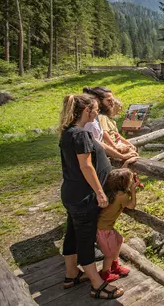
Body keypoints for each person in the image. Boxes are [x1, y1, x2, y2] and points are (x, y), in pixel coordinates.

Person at [58, 94, 134, 299]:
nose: (97, 112)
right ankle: (97, 284)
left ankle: (71, 273)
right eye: (94, 109)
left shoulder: (69, 132)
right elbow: (86, 165)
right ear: (86, 111)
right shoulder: (80, 135)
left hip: (72, 193)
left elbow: (101, 147)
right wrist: (100, 192)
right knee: (84, 238)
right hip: (84, 196)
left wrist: (123, 156)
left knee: (73, 232)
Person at [96, 168, 138, 282]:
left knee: (118, 240)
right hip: (103, 229)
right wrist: (133, 190)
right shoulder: (122, 196)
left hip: (104, 226)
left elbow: (120, 174)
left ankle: (114, 265)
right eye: (129, 180)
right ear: (124, 183)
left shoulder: (112, 190)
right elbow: (132, 205)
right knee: (109, 254)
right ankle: (104, 274)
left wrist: (127, 166)